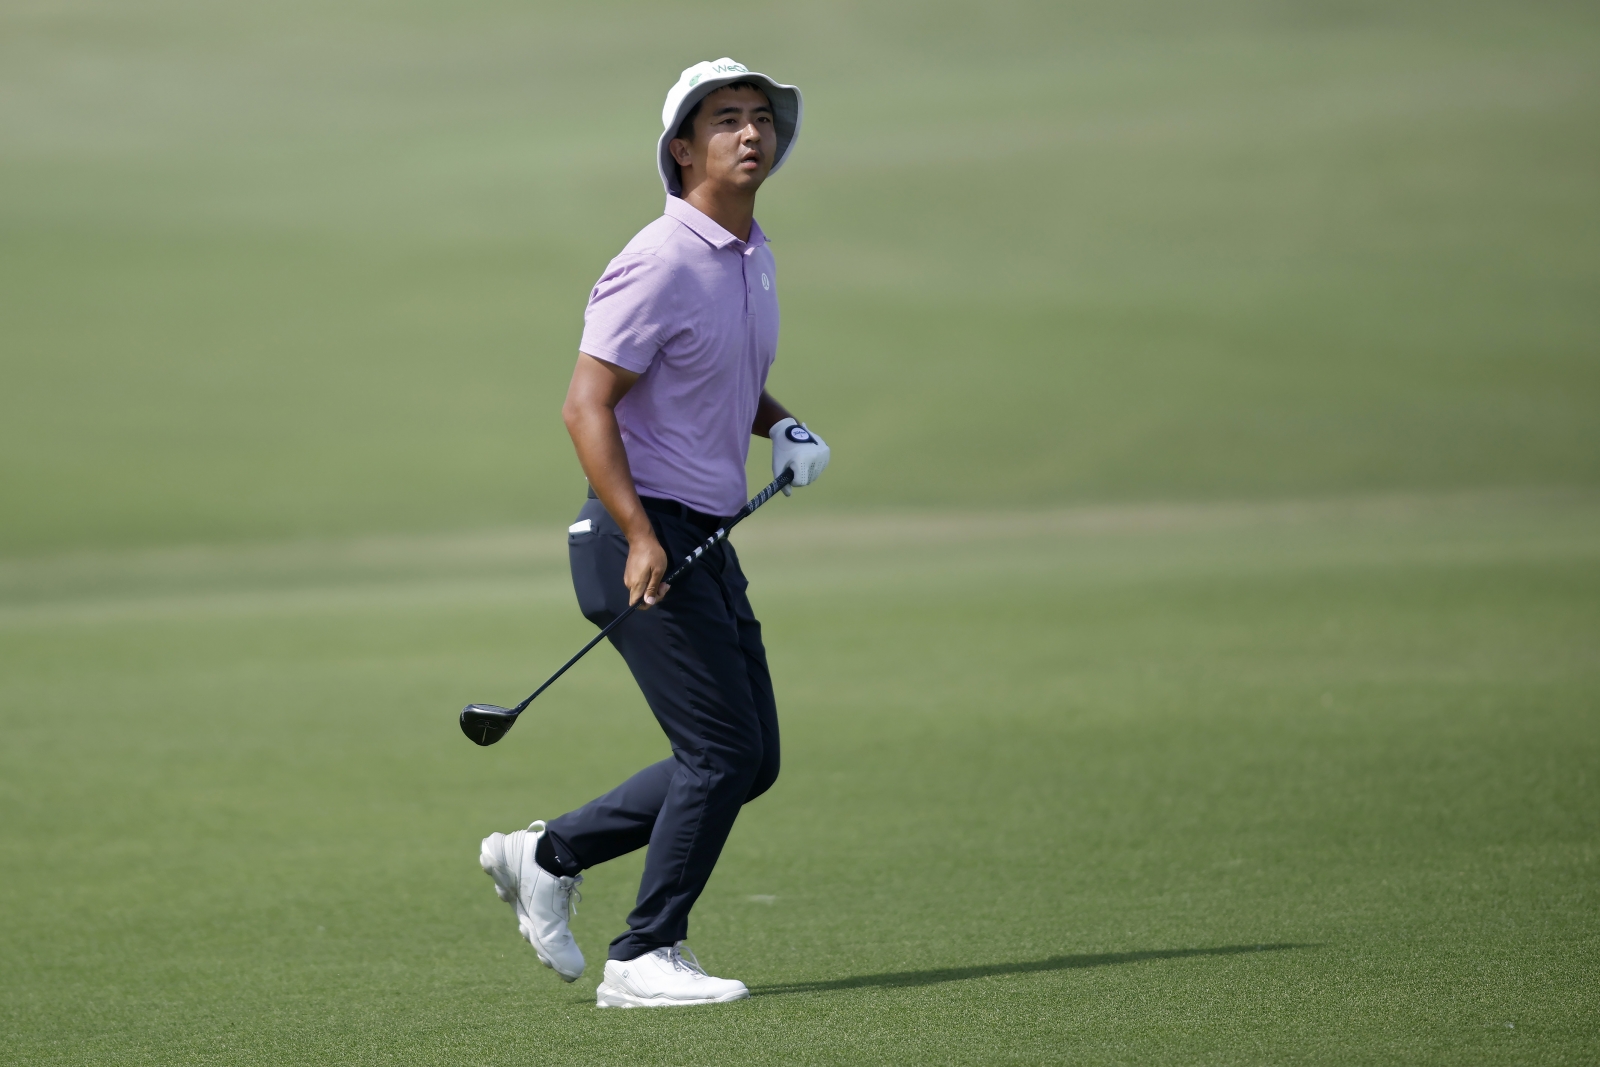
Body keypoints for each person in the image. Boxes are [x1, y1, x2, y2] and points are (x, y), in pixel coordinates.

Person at [477, 59, 830, 1009]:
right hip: (639, 536)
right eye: (726, 121)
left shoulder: (749, 255)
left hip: (701, 533)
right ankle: (643, 955)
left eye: (763, 119)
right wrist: (639, 534)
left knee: (748, 760)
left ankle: (549, 853)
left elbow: (715, 374)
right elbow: (585, 405)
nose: (752, 134)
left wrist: (781, 426)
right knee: (719, 752)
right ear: (683, 150)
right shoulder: (659, 256)